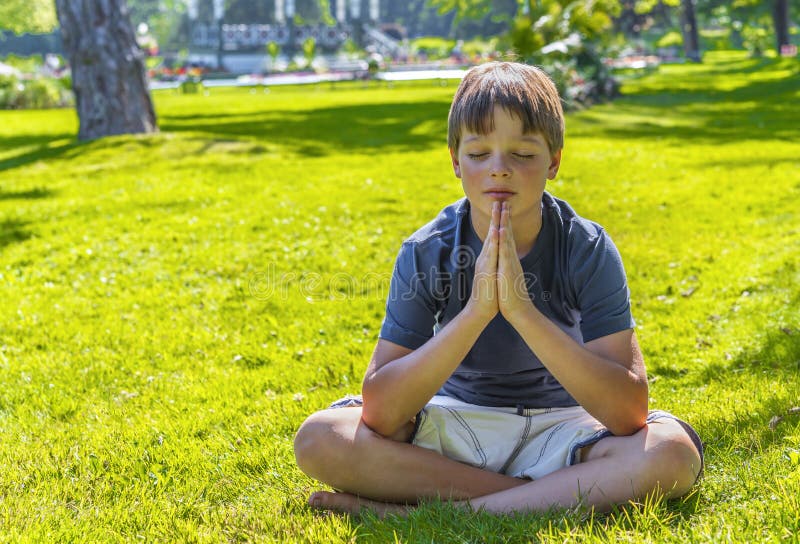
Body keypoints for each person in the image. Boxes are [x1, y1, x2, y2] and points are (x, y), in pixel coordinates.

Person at [293, 61, 703, 517]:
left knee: (671, 453)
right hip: (456, 427)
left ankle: (442, 511)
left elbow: (628, 414)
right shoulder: (427, 250)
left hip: (563, 430)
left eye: (523, 155)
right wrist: (477, 312)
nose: (499, 170)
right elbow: (383, 413)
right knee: (321, 437)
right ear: (455, 162)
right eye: (478, 153)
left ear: (553, 162)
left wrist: (522, 311)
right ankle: (543, 495)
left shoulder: (585, 246)